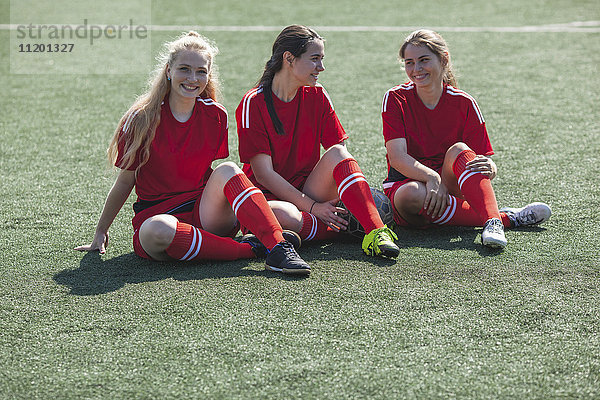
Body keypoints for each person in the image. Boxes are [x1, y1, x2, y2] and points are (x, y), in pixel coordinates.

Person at [75, 31, 311, 275]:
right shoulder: (141, 118)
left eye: (201, 71)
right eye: (184, 69)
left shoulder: (216, 115)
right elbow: (125, 180)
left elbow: (213, 177)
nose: (192, 78)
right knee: (157, 229)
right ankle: (250, 248)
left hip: (205, 213)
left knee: (228, 169)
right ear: (168, 71)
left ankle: (279, 248)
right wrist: (101, 231)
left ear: (208, 76)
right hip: (159, 216)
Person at [236, 25, 400, 258]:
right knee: (285, 215)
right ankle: (343, 226)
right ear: (289, 59)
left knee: (339, 155)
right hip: (270, 195)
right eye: (314, 59)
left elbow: (339, 151)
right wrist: (314, 208)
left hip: (309, 189)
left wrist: (326, 199)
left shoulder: (318, 94)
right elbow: (263, 175)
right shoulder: (253, 102)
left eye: (321, 59)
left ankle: (375, 231)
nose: (321, 67)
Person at [381, 29, 551, 248]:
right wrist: (433, 178)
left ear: (443, 59)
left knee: (459, 149)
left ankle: (492, 222)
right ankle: (504, 218)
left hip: (451, 186)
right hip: (410, 187)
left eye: (424, 60)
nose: (416, 69)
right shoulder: (395, 98)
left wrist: (490, 166)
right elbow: (397, 158)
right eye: (409, 63)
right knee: (412, 194)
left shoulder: (464, 102)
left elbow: (482, 159)